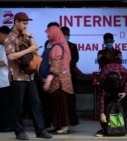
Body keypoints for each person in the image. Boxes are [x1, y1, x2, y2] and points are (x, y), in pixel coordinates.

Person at [4, 12, 52, 140]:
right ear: (16, 22)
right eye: (24, 23)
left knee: (36, 103)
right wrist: (28, 50)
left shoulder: (25, 35)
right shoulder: (9, 38)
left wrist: (30, 36)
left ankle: (40, 130)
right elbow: (11, 56)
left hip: (30, 76)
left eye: (27, 23)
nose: (26, 26)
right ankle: (19, 131)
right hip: (17, 77)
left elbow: (35, 49)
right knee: (18, 105)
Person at [43, 24, 79, 134]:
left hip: (59, 82)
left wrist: (48, 81)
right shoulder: (61, 45)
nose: (48, 37)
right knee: (58, 105)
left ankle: (63, 127)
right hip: (62, 80)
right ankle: (58, 125)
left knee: (60, 105)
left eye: (49, 34)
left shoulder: (57, 47)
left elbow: (55, 65)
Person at [94, 63, 127, 137]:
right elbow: (101, 97)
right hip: (106, 85)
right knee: (106, 106)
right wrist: (101, 113)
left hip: (118, 86)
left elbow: (126, 83)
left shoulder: (124, 73)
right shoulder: (102, 78)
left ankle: (123, 129)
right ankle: (105, 129)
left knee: (118, 107)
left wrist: (125, 92)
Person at [0, 26, 13, 132]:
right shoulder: (1, 46)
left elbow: (1, 63)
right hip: (2, 81)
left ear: (4, 35)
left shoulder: (7, 47)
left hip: (5, 81)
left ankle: (8, 125)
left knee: (5, 105)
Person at [60, 26, 79, 92]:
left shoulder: (73, 46)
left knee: (71, 93)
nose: (66, 36)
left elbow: (76, 59)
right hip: (60, 75)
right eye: (64, 34)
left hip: (71, 73)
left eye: (68, 34)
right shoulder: (56, 46)